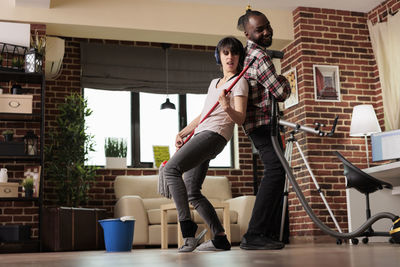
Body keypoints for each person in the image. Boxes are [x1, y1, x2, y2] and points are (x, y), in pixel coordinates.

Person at [163, 36, 249, 252]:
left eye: (235, 53)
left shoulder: (239, 82)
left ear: (240, 57)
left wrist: (227, 106)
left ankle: (188, 232)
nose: (230, 57)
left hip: (215, 135)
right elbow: (204, 114)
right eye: (226, 53)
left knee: (171, 169)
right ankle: (220, 237)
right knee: (192, 191)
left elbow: (240, 118)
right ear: (219, 57)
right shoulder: (215, 84)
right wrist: (183, 132)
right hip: (201, 133)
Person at [236, 9, 291, 250]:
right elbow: (280, 92)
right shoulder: (259, 57)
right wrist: (286, 81)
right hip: (262, 124)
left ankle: (264, 233)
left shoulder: (249, 55)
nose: (267, 31)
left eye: (267, 26)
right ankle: (254, 234)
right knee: (276, 171)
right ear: (247, 33)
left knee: (277, 172)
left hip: (258, 125)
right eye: (260, 29)